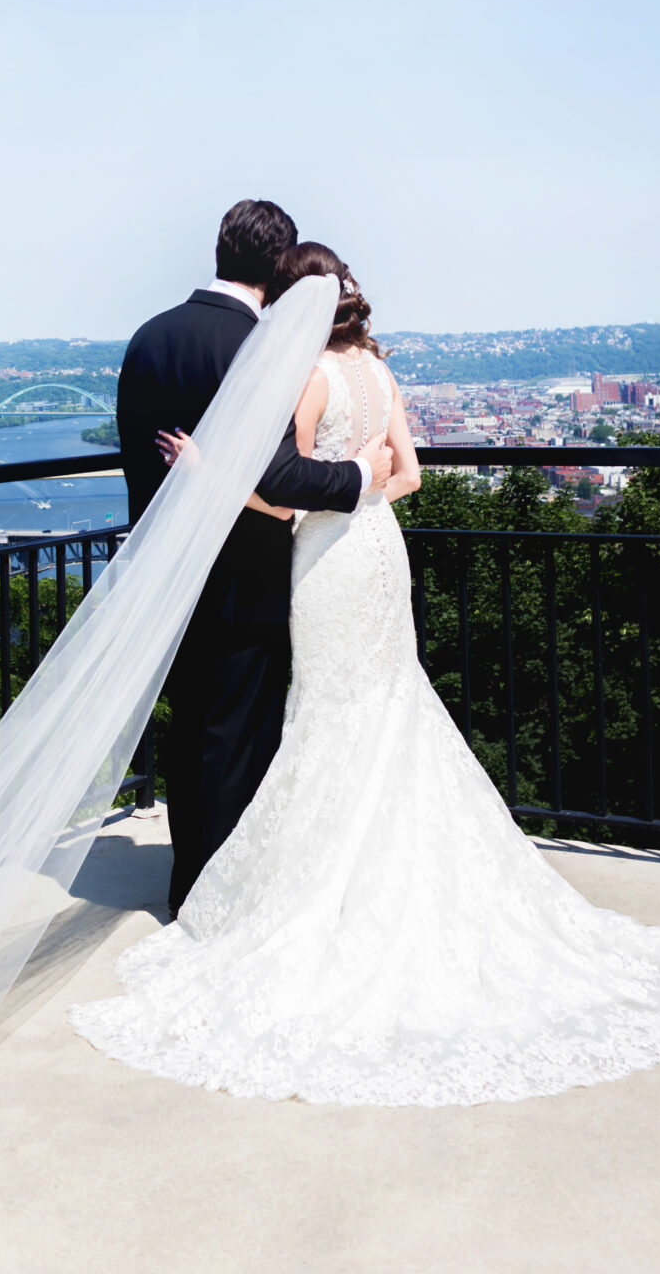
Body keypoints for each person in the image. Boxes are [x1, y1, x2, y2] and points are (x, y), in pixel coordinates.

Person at [70, 243, 660, 1105]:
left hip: (326, 562)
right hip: (379, 557)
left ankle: (327, 886)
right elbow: (412, 476)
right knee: (388, 704)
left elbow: (284, 494)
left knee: (329, 713)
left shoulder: (307, 377)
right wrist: (363, 490)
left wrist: (215, 475)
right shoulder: (380, 373)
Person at [116, 200, 393, 916]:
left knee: (189, 730)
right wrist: (358, 475)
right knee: (238, 736)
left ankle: (187, 880)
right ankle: (222, 894)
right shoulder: (258, 347)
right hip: (242, 574)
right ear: (278, 266)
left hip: (164, 575)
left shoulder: (148, 338)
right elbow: (279, 476)